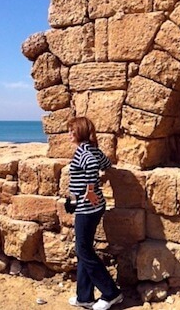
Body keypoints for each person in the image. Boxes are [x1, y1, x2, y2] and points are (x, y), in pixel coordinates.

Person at [65, 117, 123, 310]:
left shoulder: (84, 152)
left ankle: (111, 293)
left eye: (72, 131)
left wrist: (90, 190)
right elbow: (106, 164)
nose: (69, 134)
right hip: (91, 206)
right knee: (83, 250)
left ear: (79, 132)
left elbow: (90, 166)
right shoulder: (94, 149)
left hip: (87, 208)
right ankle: (85, 296)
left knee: (84, 251)